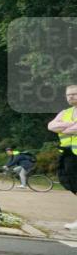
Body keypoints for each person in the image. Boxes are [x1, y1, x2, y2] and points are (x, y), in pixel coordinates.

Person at [48, 84, 77, 230]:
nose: (71, 96)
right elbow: (51, 126)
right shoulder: (65, 112)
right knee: (66, 179)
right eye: (68, 95)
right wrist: (72, 124)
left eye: (74, 94)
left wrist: (64, 128)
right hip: (67, 153)